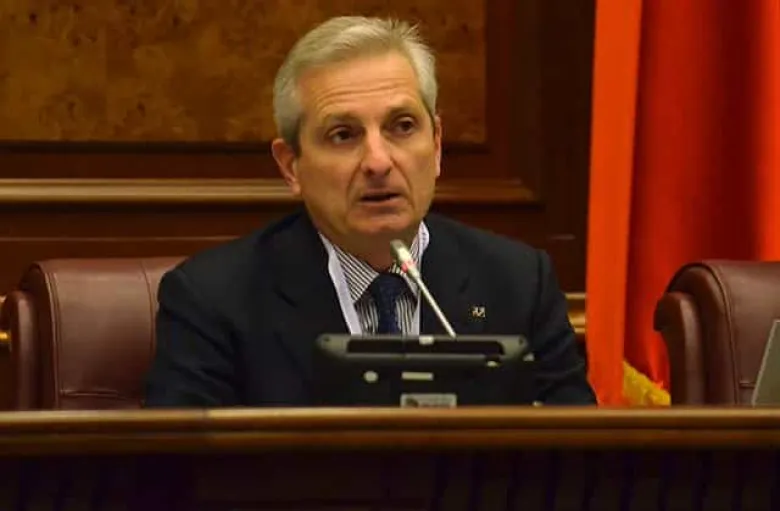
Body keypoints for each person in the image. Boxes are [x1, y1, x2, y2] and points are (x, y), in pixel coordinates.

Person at [143, 16, 596, 407]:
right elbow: (183, 471)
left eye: (403, 126)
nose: (378, 162)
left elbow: (576, 457)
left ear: (437, 145)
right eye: (343, 135)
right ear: (291, 165)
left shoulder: (519, 283)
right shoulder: (214, 300)